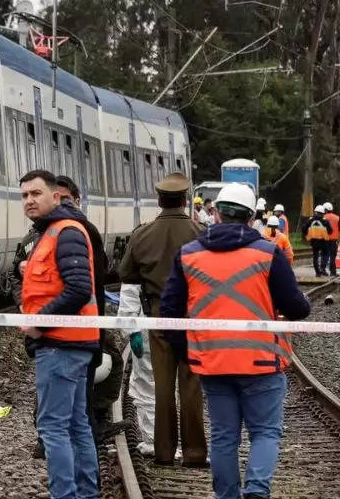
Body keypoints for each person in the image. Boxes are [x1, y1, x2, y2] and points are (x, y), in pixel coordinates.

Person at [160, 182, 310, 499]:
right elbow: (296, 307)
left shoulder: (188, 255)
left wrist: (188, 352)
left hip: (213, 363)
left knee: (224, 436)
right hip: (262, 362)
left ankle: (226, 495)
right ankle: (256, 491)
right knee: (265, 431)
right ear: (252, 216)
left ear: (215, 214)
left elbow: (169, 311)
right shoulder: (268, 253)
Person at [17, 169, 99, 499]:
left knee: (52, 427)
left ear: (56, 196)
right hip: (69, 343)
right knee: (76, 425)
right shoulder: (52, 232)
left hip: (61, 344)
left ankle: (65, 494)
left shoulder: (65, 232)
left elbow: (79, 289)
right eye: (24, 196)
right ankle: (85, 493)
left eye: (36, 194)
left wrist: (40, 321)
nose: (29, 201)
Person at [118, 172, 206, 467]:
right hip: (192, 317)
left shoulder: (142, 234)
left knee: (162, 385)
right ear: (184, 200)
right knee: (191, 384)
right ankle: (195, 453)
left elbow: (126, 274)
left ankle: (164, 453)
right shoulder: (201, 232)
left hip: (157, 317)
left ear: (159, 200)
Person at [54, 175, 121, 448]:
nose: (61, 205)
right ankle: (85, 437)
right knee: (72, 398)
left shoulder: (76, 231)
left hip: (78, 328)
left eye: (65, 200)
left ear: (76, 199)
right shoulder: (76, 230)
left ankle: (82, 438)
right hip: (70, 329)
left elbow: (89, 284)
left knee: (74, 396)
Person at [118, 282, 157, 457]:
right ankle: (160, 439)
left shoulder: (141, 253)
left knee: (147, 382)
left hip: (149, 322)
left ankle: (154, 439)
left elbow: (130, 285)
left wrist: (132, 329)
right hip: (176, 321)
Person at [306, 205, 330, 277]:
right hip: (323, 242)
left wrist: (309, 234)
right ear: (323, 213)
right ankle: (322, 268)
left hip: (314, 242)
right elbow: (330, 231)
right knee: (325, 254)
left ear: (315, 212)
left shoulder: (310, 220)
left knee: (315, 257)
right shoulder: (325, 221)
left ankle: (317, 273)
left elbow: (304, 229)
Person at [324, 201, 339, 277]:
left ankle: (323, 271)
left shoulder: (323, 218)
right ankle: (333, 272)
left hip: (325, 240)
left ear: (325, 210)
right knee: (332, 256)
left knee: (325, 255)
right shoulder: (337, 218)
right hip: (334, 240)